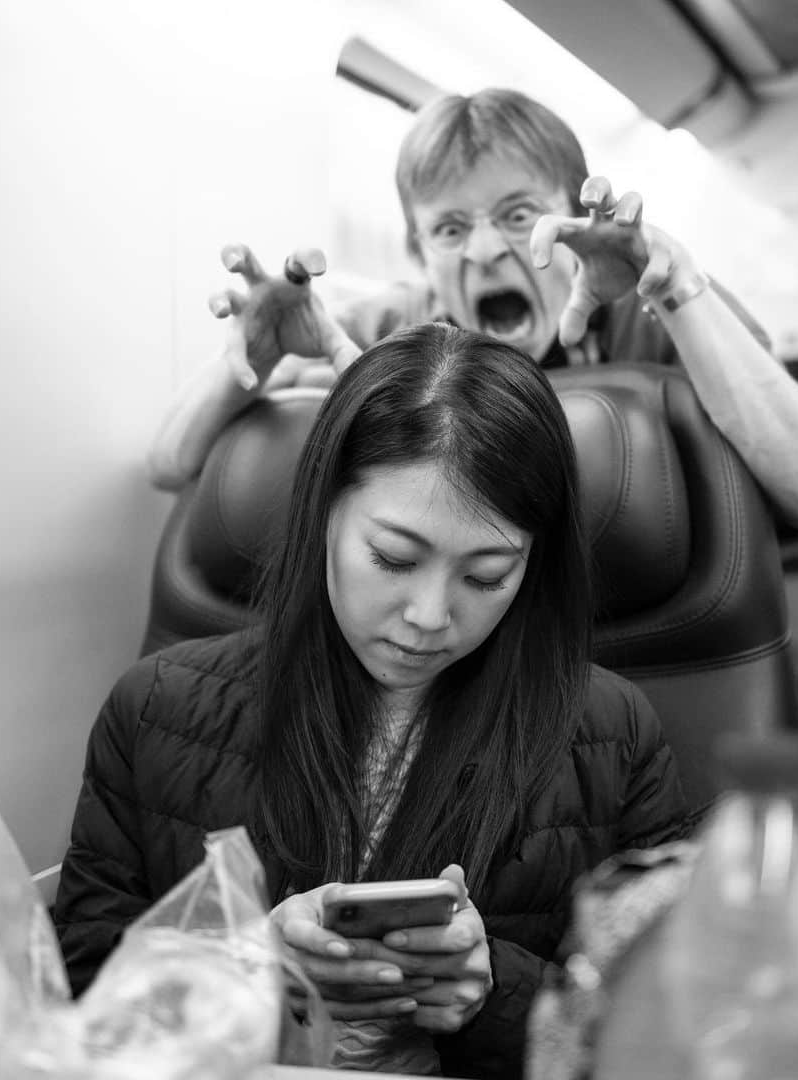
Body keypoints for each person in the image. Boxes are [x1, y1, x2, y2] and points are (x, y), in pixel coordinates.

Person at [54, 323, 690, 1078]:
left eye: (485, 575)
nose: (429, 615)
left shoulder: (610, 736)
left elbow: (664, 1034)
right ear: (324, 510)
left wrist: (492, 995)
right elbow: (83, 997)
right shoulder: (156, 709)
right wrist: (250, 969)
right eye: (393, 558)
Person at [147, 87, 798, 530]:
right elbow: (171, 464)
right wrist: (251, 360)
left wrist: (680, 291)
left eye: (518, 216)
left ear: (576, 223)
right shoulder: (393, 329)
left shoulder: (660, 306)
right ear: (420, 252)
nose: (484, 251)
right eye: (450, 230)